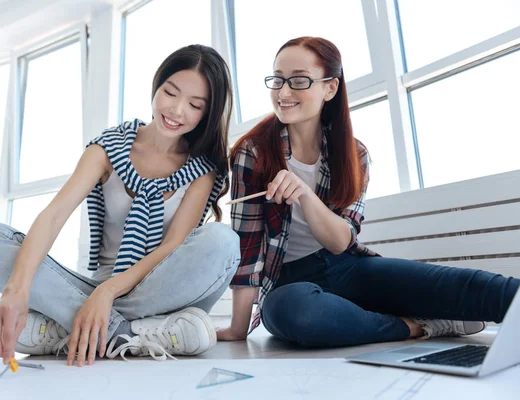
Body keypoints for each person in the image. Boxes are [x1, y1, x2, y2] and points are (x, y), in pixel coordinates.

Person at [217, 36, 519, 347]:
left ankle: (369, 317)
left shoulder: (353, 155)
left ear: (330, 88)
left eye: (298, 81)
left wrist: (305, 195)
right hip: (289, 285)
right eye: (277, 80)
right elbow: (248, 248)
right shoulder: (253, 153)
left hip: (347, 268)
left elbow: (340, 242)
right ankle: (414, 326)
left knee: (467, 285)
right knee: (301, 312)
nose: (283, 92)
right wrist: (239, 328)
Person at [0, 44, 240, 367]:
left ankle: (69, 325)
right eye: (170, 93)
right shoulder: (109, 147)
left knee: (222, 241)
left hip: (159, 291)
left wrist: (107, 294)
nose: (177, 110)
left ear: (207, 113)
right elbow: (54, 215)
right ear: (156, 86)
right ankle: (129, 333)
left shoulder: (202, 168)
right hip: (93, 285)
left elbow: (172, 247)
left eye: (195, 105)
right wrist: (16, 291)